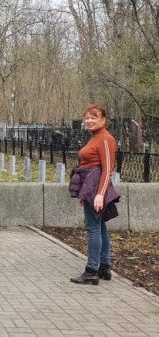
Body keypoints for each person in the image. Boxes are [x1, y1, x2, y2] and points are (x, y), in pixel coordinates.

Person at [69, 104, 120, 285]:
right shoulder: (95, 137)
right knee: (100, 227)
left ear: (103, 120)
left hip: (97, 188)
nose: (89, 121)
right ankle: (104, 267)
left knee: (92, 228)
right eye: (87, 118)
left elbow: (107, 169)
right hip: (90, 187)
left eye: (94, 117)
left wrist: (99, 194)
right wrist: (85, 193)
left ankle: (91, 272)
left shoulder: (105, 139)